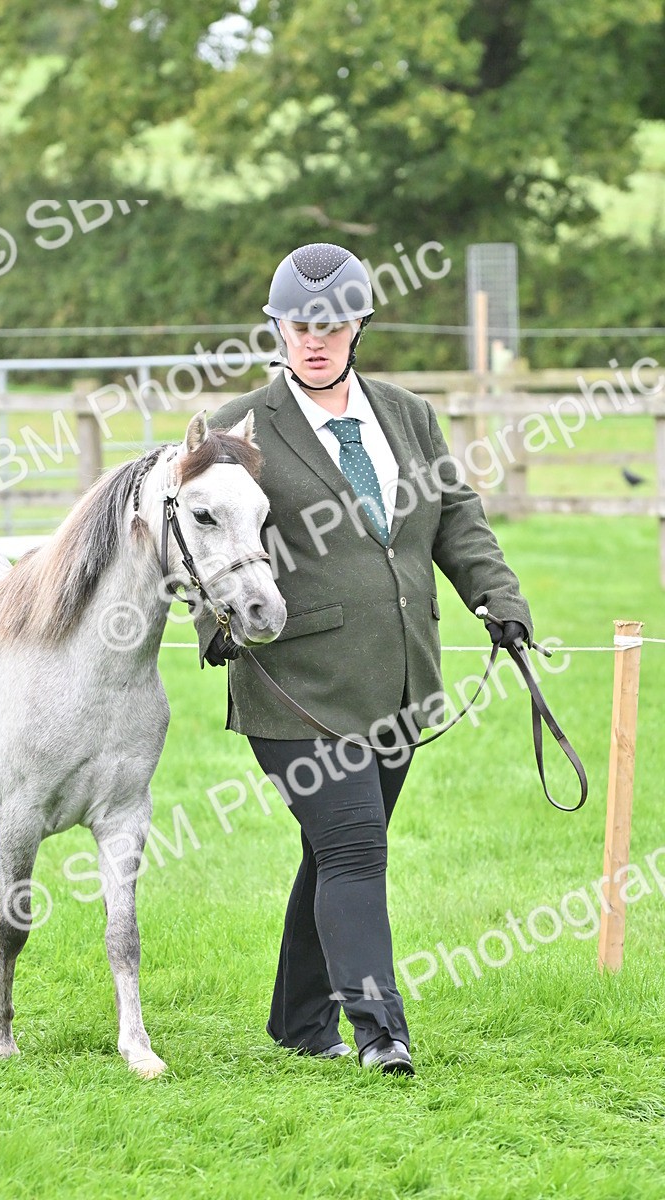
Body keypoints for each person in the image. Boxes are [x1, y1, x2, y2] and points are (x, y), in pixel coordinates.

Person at [196, 242, 532, 1074]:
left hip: (401, 681)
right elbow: (203, 539)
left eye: (332, 324)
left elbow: (458, 519)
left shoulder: (408, 415)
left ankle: (297, 1019)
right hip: (296, 685)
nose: (314, 338)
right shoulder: (242, 426)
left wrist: (499, 597)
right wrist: (218, 626)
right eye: (298, 324)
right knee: (354, 847)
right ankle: (380, 1032)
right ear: (276, 327)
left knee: (335, 850)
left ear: (359, 327)